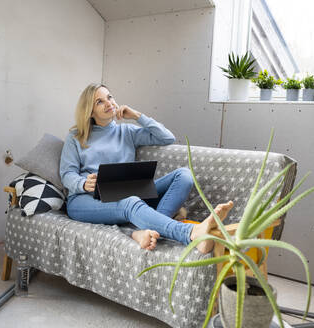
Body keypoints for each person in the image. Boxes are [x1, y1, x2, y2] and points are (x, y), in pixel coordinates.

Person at [60, 83, 233, 253]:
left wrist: (137, 116)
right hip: (85, 200)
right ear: (90, 111)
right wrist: (83, 183)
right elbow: (67, 173)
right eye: (100, 102)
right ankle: (190, 234)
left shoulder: (127, 132)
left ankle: (146, 230)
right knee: (130, 202)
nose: (108, 103)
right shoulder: (76, 137)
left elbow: (167, 138)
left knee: (184, 175)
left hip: (125, 193)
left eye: (110, 97)